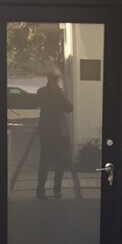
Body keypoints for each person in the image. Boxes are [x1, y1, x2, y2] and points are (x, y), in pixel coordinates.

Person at [35, 69, 73, 200]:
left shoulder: (61, 93)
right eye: (54, 78)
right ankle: (40, 190)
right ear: (49, 78)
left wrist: (60, 95)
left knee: (60, 162)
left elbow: (69, 108)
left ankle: (57, 189)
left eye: (57, 78)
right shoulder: (41, 91)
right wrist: (50, 92)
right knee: (44, 162)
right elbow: (40, 104)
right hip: (47, 132)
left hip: (60, 132)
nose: (56, 81)